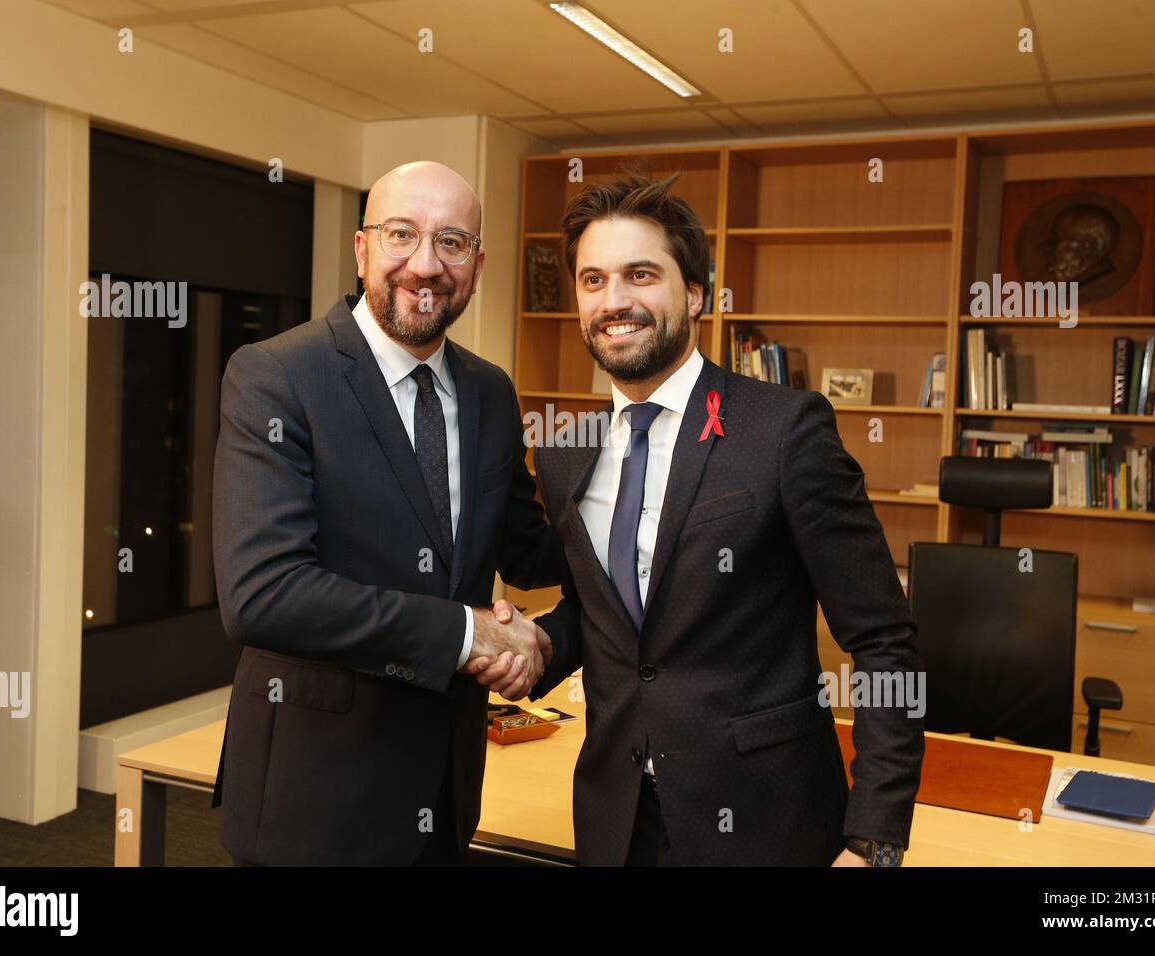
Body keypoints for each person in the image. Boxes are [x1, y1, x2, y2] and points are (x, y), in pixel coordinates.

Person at [469, 174, 924, 866]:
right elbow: (613, 622)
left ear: (697, 294)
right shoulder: (566, 455)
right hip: (618, 823)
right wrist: (534, 647)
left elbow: (887, 642)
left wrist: (874, 840)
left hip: (769, 825)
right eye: (593, 281)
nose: (614, 301)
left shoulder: (782, 431)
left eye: (641, 274)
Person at [211, 161, 557, 866]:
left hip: (445, 787)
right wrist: (469, 634)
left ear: (478, 262)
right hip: (312, 805)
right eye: (402, 234)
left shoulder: (490, 393)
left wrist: (652, 505)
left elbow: (526, 547)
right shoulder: (277, 376)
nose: (425, 264)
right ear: (363, 248)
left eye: (452, 242)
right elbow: (263, 595)